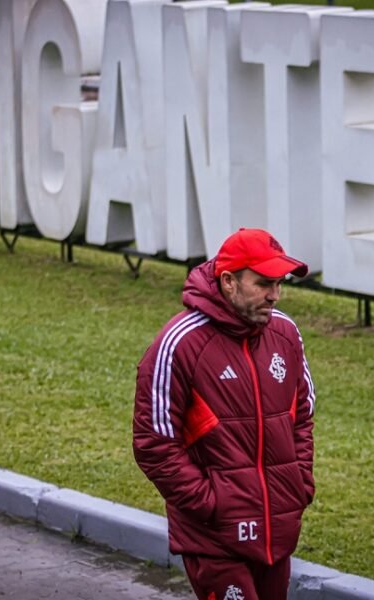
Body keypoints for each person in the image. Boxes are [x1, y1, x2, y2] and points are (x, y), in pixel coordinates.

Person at [133, 228, 316, 600]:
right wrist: (211, 503)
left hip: (276, 531)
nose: (274, 295)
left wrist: (299, 484)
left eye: (279, 284)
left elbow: (302, 417)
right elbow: (153, 444)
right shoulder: (179, 343)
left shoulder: (286, 334)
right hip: (214, 538)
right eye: (263, 283)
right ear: (229, 282)